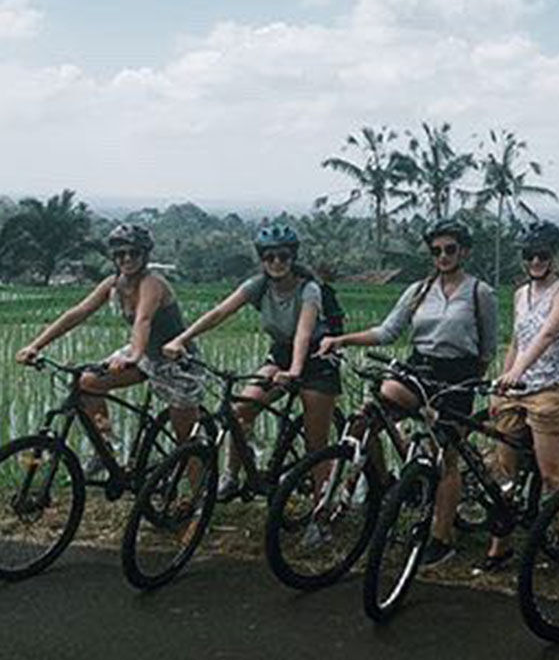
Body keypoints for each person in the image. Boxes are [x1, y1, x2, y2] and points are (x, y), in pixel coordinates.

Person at [319, 217, 498, 569]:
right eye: (436, 250)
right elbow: (387, 331)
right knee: (366, 418)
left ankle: (442, 538)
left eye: (450, 249)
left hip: (457, 376)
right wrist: (342, 340)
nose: (442, 256)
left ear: (464, 252)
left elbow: (488, 348)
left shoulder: (480, 293)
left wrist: (472, 382)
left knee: (446, 456)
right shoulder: (418, 290)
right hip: (419, 368)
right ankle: (386, 485)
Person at [162, 223, 341, 499]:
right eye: (269, 257)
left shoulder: (309, 290)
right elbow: (219, 313)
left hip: (318, 360)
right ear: (262, 260)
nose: (276, 262)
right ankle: (231, 477)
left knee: (316, 445)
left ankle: (322, 508)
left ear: (293, 257)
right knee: (241, 410)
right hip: (282, 354)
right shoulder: (258, 286)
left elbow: (304, 334)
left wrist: (294, 371)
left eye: (283, 256)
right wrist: (182, 339)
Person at [15, 223, 205, 465]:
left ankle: (198, 489)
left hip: (176, 362)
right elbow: (78, 312)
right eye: (120, 254)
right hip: (145, 353)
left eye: (134, 253)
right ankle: (105, 447)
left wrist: (133, 357)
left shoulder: (152, 283)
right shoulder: (114, 284)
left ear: (145, 255)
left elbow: (143, 319)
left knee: (186, 444)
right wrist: (36, 345)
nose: (127, 259)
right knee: (87, 382)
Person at [481, 220, 559, 570]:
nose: (535, 261)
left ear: (554, 256)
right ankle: (500, 546)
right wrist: (503, 380)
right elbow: (518, 341)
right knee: (504, 472)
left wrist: (518, 371)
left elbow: (548, 334)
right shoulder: (520, 294)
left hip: (551, 389)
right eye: (529, 255)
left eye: (542, 255)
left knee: (553, 475)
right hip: (517, 390)